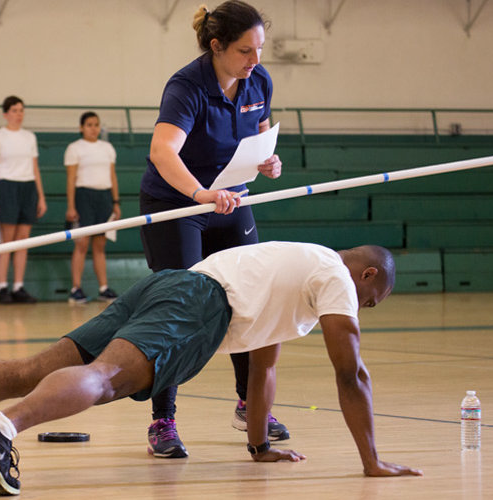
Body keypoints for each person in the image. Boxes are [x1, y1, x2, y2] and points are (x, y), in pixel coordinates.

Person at [0, 241, 423, 496]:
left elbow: (261, 371)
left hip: (168, 285)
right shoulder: (335, 276)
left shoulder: (295, 271)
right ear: (367, 277)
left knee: (33, 367)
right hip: (200, 306)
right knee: (106, 380)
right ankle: (0, 430)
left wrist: (258, 448)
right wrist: (371, 462)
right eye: (368, 304)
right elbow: (352, 374)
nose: (359, 313)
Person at [139, 1, 285, 457]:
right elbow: (163, 152)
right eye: (245, 51)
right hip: (177, 202)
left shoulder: (257, 80)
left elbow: (258, 135)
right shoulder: (186, 86)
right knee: (178, 311)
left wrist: (267, 162)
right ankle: (163, 420)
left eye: (260, 49)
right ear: (217, 46)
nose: (255, 60)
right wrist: (200, 193)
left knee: (249, 300)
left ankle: (250, 404)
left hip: (231, 197)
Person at [0, 96, 48, 304]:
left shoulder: (30, 137)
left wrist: (40, 196)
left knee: (23, 241)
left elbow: (35, 168)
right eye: (14, 110)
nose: (18, 114)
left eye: (21, 110)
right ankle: (2, 286)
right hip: (7, 186)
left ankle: (18, 286)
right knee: (6, 241)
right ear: (5, 113)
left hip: (27, 187)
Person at [64, 111, 121, 304]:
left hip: (104, 197)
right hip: (83, 197)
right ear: (81, 128)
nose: (93, 128)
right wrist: (71, 206)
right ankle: (75, 288)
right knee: (82, 244)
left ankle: (103, 288)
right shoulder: (74, 148)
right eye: (89, 124)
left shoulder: (107, 148)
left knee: (100, 245)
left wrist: (115, 202)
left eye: (96, 124)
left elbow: (112, 176)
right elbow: (71, 179)